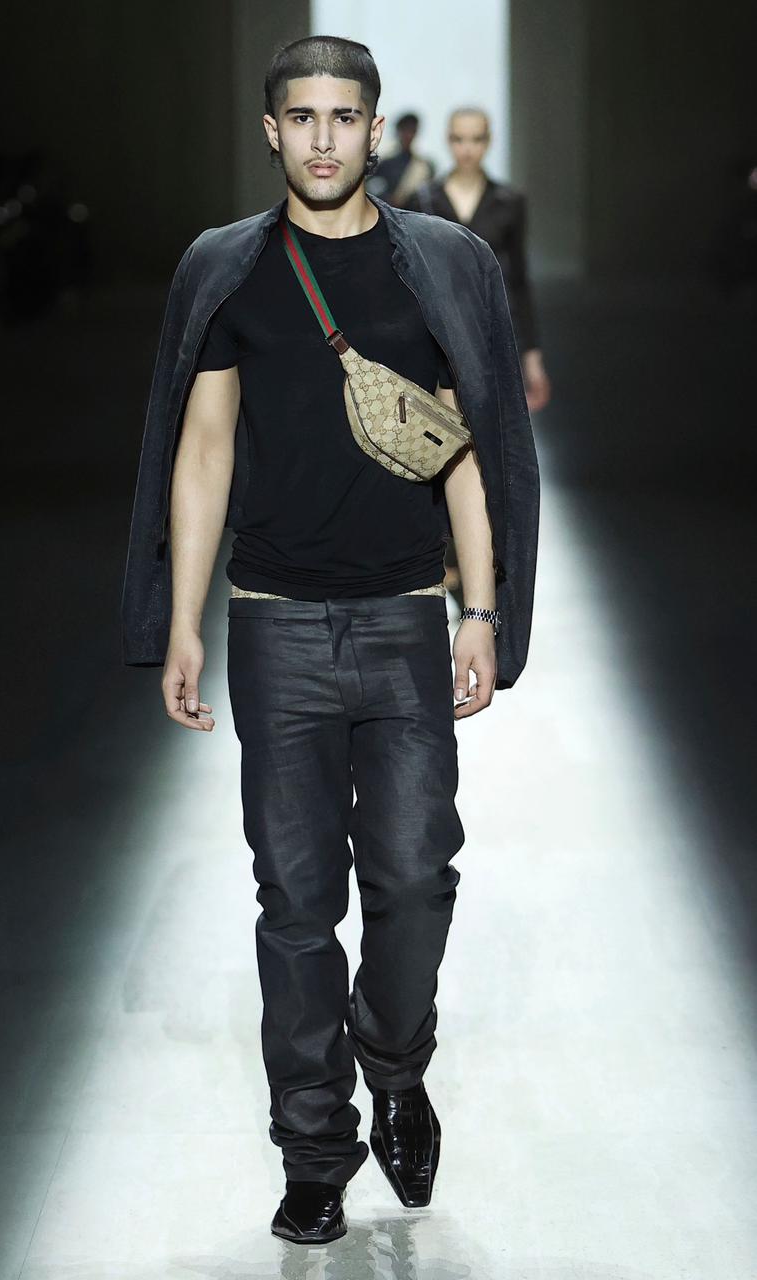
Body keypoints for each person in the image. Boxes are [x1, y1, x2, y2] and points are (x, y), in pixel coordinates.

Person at [120, 35, 540, 1247]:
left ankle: (394, 1063)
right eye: (299, 117)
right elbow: (202, 450)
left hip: (405, 618)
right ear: (271, 130)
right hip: (274, 626)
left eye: (342, 117)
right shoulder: (228, 269)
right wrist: (184, 621)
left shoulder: (438, 266)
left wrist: (478, 608)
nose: (320, 138)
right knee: (295, 903)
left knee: (413, 874)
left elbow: (461, 447)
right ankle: (313, 1149)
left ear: (370, 125)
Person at [404, 105, 550, 593]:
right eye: (459, 138)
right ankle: (447, 553)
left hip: (490, 340)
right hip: (437, 338)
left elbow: (519, 281)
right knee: (440, 442)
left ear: (488, 142)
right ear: (448, 141)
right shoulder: (426, 198)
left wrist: (532, 356)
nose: (467, 148)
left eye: (476, 139)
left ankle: (482, 551)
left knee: (489, 445)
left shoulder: (509, 202)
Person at [366, 110, 435, 206]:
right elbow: (370, 186)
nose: (408, 135)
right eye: (405, 130)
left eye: (412, 131)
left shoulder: (424, 166)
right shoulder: (386, 163)